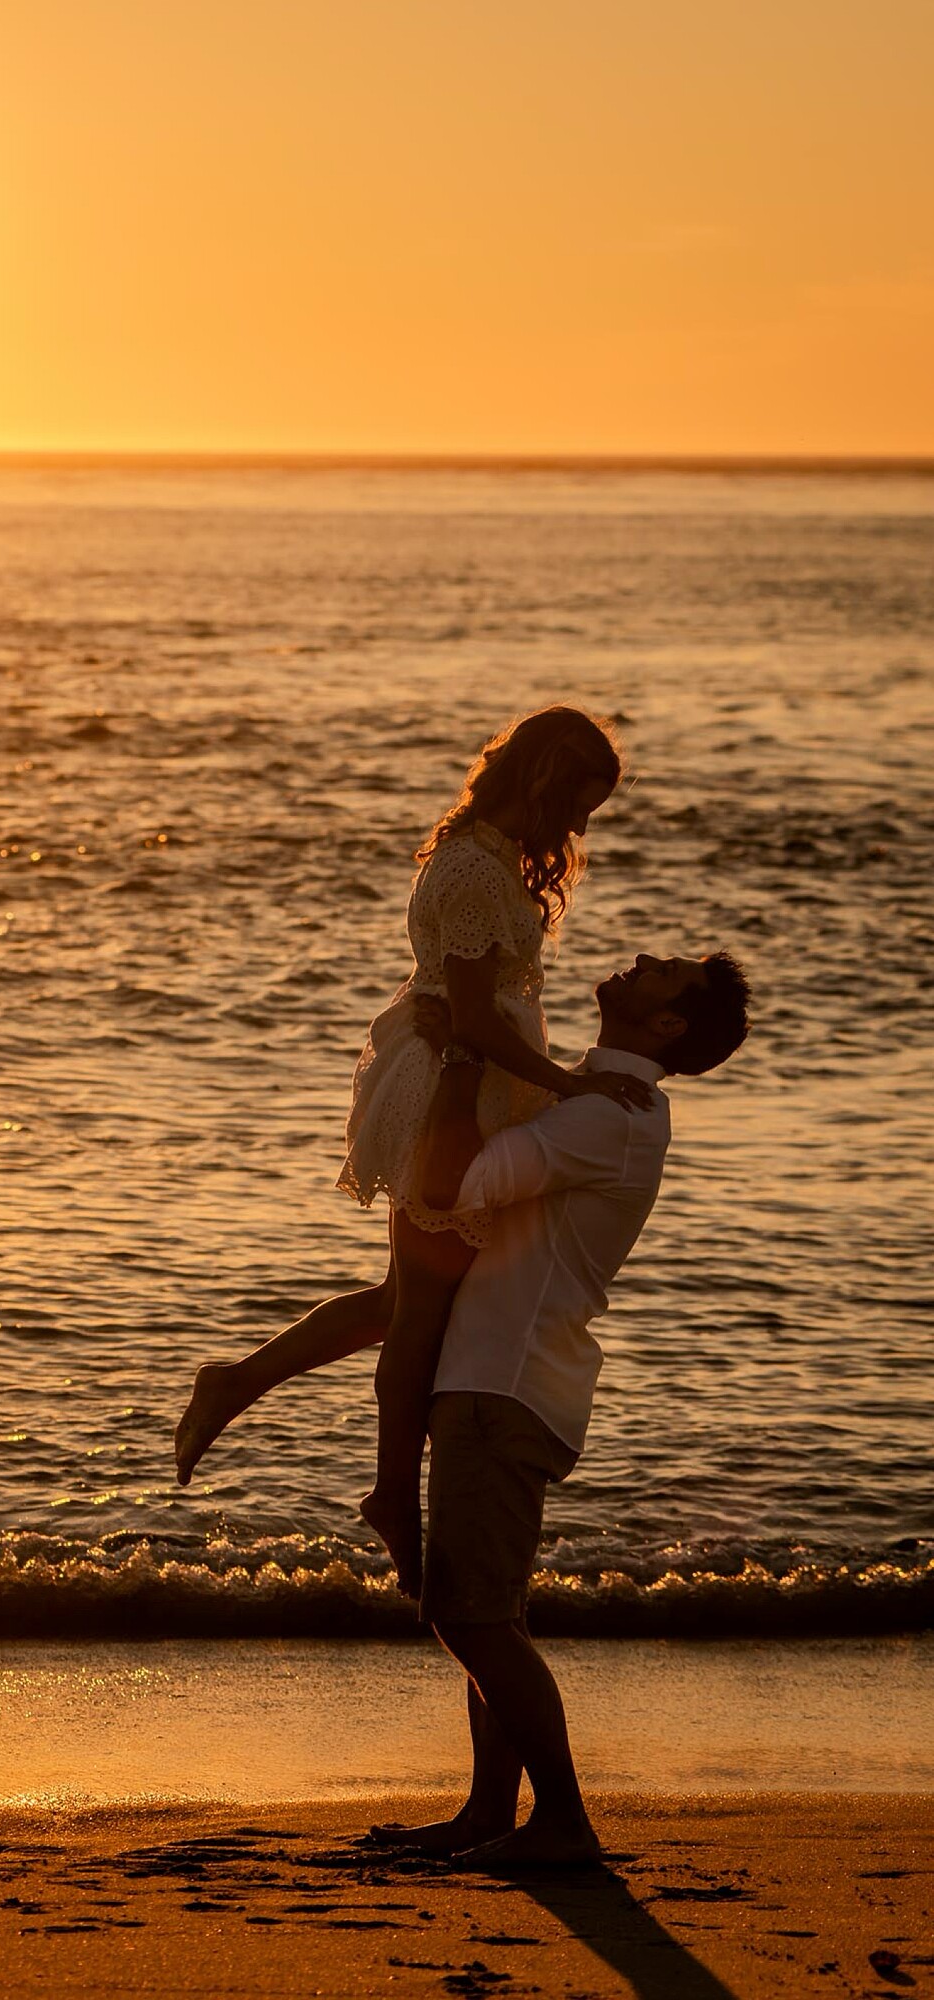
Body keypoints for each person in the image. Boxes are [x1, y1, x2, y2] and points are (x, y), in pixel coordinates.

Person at [175, 706, 649, 1597]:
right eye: (581, 805)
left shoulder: (489, 854)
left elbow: (476, 1008)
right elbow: (470, 1017)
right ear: (545, 780)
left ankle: (239, 1385)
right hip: (451, 1094)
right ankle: (391, 1493)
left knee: (407, 1298)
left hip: (470, 1082)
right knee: (419, 1310)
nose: (582, 829)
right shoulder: (474, 869)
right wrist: (574, 1083)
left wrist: (549, 1076)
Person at [367, 945, 751, 1868]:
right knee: (488, 1612)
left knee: (470, 1618)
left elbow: (448, 1187)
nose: (646, 960)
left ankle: (564, 1824)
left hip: (506, 1383)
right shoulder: (590, 1098)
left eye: (669, 974)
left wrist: (463, 1052)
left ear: (666, 1027)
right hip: (500, 1377)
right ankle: (488, 1814)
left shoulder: (610, 1117)